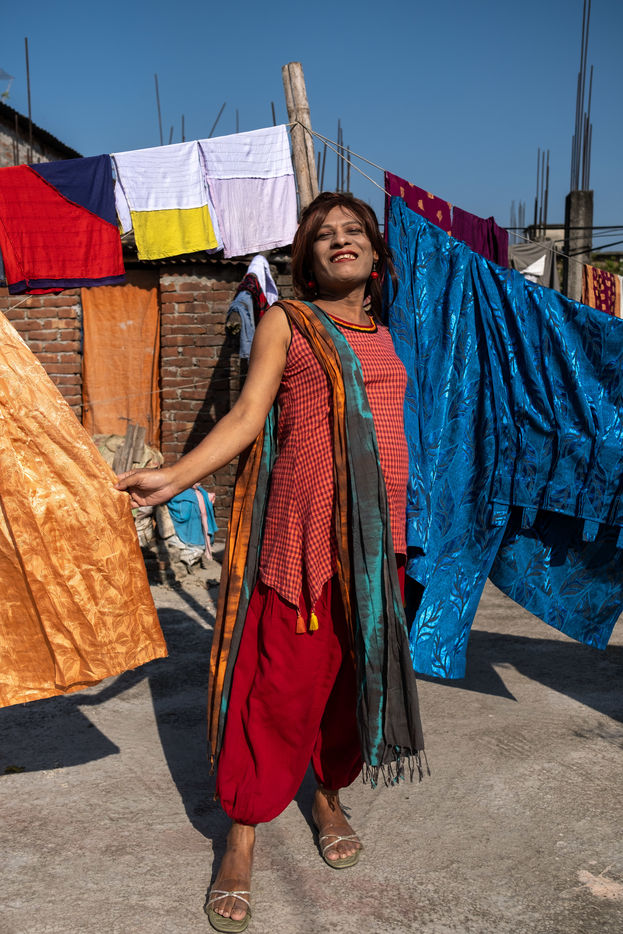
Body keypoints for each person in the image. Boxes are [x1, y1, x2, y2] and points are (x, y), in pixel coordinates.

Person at [116, 191, 424, 932]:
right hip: (304, 535)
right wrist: (175, 477)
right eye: (324, 235)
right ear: (307, 258)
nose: (341, 240)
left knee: (353, 683)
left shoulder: (400, 333)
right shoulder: (290, 321)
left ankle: (327, 794)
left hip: (380, 542)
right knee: (279, 690)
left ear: (376, 252)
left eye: (354, 231)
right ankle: (243, 831)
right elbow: (247, 416)